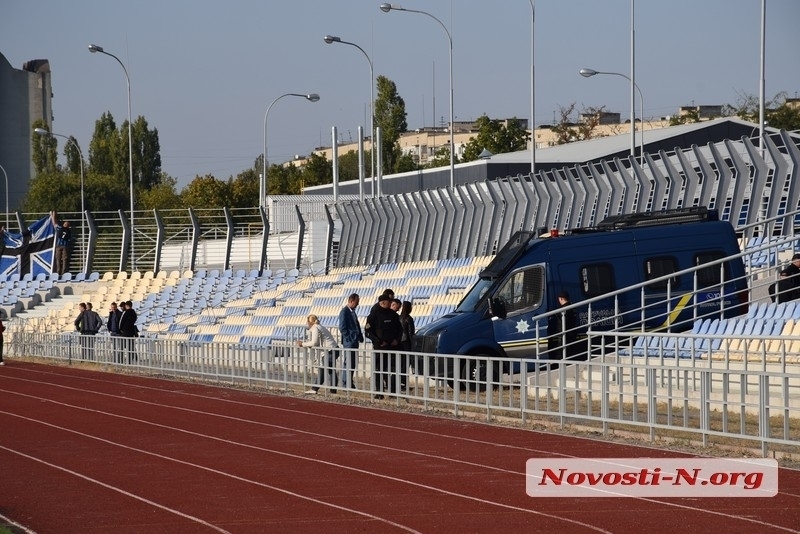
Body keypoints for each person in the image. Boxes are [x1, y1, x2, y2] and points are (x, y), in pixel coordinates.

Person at [365, 294, 403, 398]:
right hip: (380, 348)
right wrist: (378, 341)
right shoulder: (373, 315)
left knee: (393, 370)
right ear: (383, 302)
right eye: (389, 301)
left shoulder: (393, 315)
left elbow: (400, 329)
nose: (391, 303)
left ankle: (393, 392)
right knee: (379, 370)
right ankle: (379, 392)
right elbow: (368, 331)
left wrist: (396, 340)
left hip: (392, 347)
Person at [298, 314, 339, 394]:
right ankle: (333, 390)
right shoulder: (319, 326)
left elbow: (314, 342)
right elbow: (317, 342)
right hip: (333, 349)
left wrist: (303, 344)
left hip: (329, 350)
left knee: (322, 369)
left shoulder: (315, 327)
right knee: (330, 370)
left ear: (309, 323)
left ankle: (315, 388)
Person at [338, 293, 363, 389]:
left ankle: (349, 382)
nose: (357, 304)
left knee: (352, 363)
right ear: (351, 301)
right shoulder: (344, 312)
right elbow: (342, 327)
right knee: (348, 362)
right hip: (349, 342)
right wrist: (348, 338)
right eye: (356, 302)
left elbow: (356, 325)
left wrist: (359, 336)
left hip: (354, 340)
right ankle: (345, 383)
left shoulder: (352, 312)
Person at [547, 291, 578, 362]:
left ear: (561, 299)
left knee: (563, 351)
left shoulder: (564, 310)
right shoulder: (571, 307)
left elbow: (564, 321)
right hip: (570, 333)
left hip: (565, 334)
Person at [398, 300, 416, 391]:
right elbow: (410, 333)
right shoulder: (409, 318)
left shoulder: (399, 317)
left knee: (400, 363)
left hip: (399, 342)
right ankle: (404, 382)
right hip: (407, 342)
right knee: (406, 364)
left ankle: (400, 382)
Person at [51, 211, 73, 276]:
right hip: (62, 245)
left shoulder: (61, 229)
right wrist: (53, 215)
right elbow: (54, 223)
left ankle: (62, 273)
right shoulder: (66, 230)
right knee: (60, 259)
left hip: (62, 245)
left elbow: (54, 223)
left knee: (62, 259)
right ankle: (60, 272)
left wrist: (53, 215)